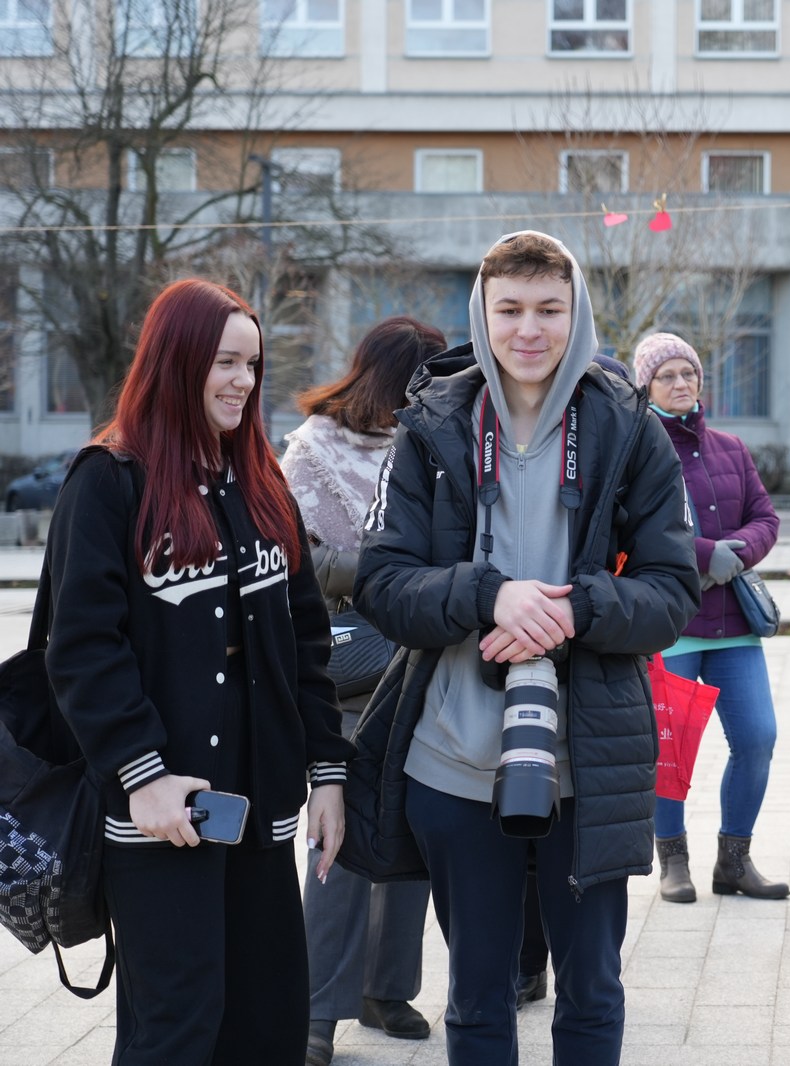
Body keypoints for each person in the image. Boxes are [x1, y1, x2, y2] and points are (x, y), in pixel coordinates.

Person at [353, 231, 699, 1065]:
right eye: (509, 310)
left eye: (549, 309)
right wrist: (488, 595)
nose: (529, 330)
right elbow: (382, 581)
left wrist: (573, 609)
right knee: (475, 997)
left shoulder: (628, 428)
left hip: (590, 759)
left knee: (591, 993)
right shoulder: (430, 427)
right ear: (482, 313)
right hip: (452, 757)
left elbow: (672, 592)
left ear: (576, 312)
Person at [45, 278, 352, 1065]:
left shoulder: (261, 484)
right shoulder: (107, 480)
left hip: (256, 817)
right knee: (178, 1029)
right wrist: (141, 775)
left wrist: (327, 775)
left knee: (269, 1023)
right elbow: (81, 648)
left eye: (251, 365)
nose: (242, 382)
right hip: (159, 817)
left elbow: (306, 643)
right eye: (223, 362)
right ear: (176, 360)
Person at [281, 316, 445, 1066]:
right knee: (337, 839)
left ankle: (387, 988)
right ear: (382, 376)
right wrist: (381, 572)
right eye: (418, 381)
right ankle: (316, 1009)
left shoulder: (434, 446)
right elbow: (294, 564)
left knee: (409, 833)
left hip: (422, 662)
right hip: (346, 664)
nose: (427, 396)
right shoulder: (312, 450)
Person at [633, 331, 789, 903]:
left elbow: (765, 517)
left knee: (757, 738)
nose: (681, 384)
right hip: (672, 624)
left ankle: (734, 859)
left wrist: (736, 554)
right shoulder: (638, 447)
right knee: (670, 749)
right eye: (667, 376)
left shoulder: (729, 448)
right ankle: (673, 859)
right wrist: (703, 554)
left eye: (688, 374)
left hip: (735, 626)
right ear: (646, 386)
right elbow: (638, 525)